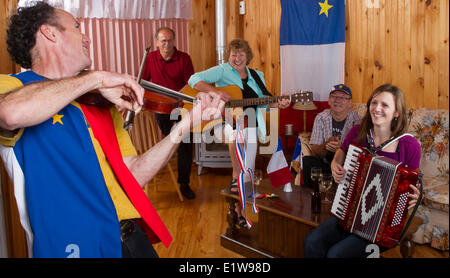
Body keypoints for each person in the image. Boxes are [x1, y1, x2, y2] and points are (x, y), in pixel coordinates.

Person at [0, 2, 224, 258]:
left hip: (128, 238)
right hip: (75, 244)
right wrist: (96, 77)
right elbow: (10, 114)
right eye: (77, 27)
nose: (86, 38)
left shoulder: (97, 101)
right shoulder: (11, 87)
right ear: (50, 33)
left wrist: (187, 123)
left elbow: (134, 174)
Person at [303, 84, 422, 258]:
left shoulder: (409, 145)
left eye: (385, 105)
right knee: (311, 242)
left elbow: (414, 182)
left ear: (397, 112)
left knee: (336, 255)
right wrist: (335, 163)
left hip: (382, 225)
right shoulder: (358, 133)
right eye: (374, 103)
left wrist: (415, 195)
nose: (377, 108)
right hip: (350, 211)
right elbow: (341, 151)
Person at [188, 38, 291, 227]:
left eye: (241, 54)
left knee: (246, 170)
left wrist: (279, 103)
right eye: (234, 54)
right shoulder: (222, 70)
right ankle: (238, 212)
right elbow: (193, 79)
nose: (237, 58)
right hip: (228, 123)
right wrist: (215, 92)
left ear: (247, 56)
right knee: (241, 165)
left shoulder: (257, 75)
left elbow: (265, 103)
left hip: (251, 125)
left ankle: (236, 212)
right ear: (229, 56)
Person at [140, 27, 196, 199]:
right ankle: (163, 164)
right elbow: (143, 81)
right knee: (170, 139)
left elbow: (191, 83)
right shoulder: (150, 58)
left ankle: (184, 183)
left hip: (181, 104)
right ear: (157, 42)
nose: (166, 44)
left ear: (174, 41)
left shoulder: (184, 58)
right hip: (161, 107)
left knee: (186, 141)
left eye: (170, 40)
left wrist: (177, 97)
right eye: (163, 41)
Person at [302, 84, 360, 188]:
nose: (337, 100)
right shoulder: (321, 118)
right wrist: (325, 145)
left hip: (345, 165)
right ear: (329, 100)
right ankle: (310, 197)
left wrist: (341, 149)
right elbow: (315, 150)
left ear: (350, 103)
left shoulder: (358, 121)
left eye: (342, 98)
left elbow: (358, 154)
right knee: (308, 160)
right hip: (325, 162)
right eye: (334, 96)